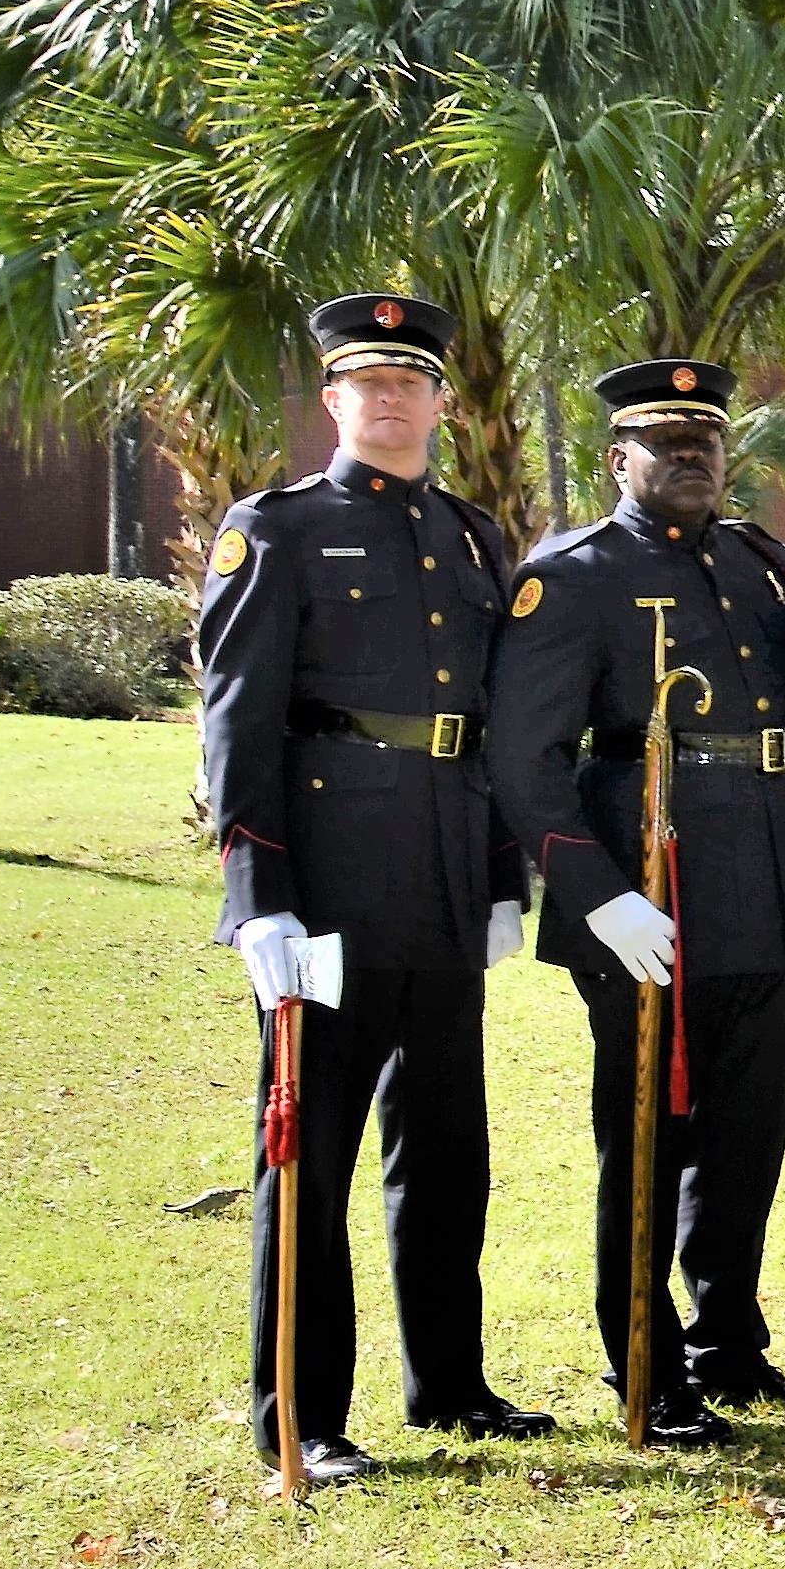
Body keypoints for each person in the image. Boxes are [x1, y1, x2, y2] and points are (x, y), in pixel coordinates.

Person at [197, 293, 541, 1485]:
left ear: (442, 401)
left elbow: (488, 722)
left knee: (446, 1144)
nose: (392, 398)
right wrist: (260, 896)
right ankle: (302, 1414)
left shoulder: (467, 534)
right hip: (329, 881)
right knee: (313, 1149)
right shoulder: (277, 527)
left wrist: (504, 877)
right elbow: (236, 725)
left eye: (412, 380)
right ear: (334, 400)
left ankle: (449, 1382)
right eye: (367, 381)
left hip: (445, 870)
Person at [488, 357, 785, 1440]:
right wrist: (596, 898)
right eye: (664, 442)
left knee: (747, 1135)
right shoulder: (576, 572)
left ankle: (726, 1343)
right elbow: (524, 757)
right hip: (649, 892)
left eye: (706, 441)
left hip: (764, 881)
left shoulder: (755, 562)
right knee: (647, 1134)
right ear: (616, 459)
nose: (690, 457)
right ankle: (643, 1362)